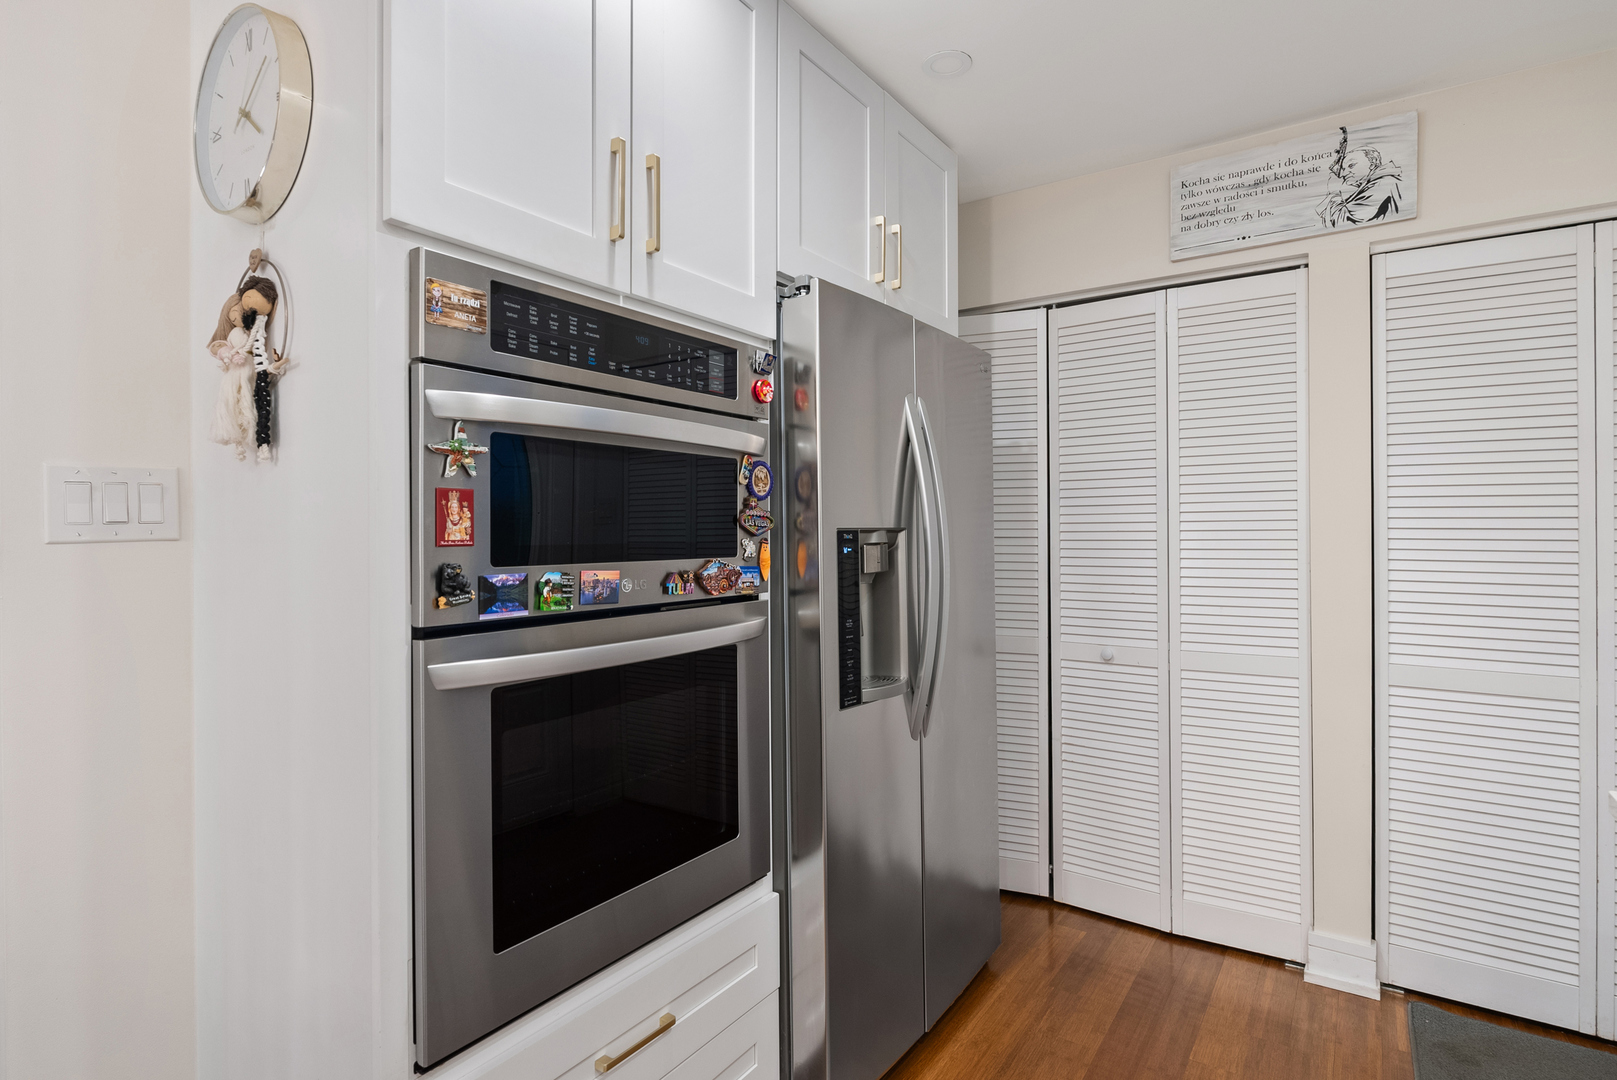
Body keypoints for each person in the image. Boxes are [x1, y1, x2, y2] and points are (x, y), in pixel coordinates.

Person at [1316, 127, 1404, 228]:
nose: (1344, 174)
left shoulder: (1384, 183)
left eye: (1351, 165)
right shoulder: (1371, 185)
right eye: (1343, 169)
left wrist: (1335, 193)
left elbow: (1344, 224)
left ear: (1372, 164)